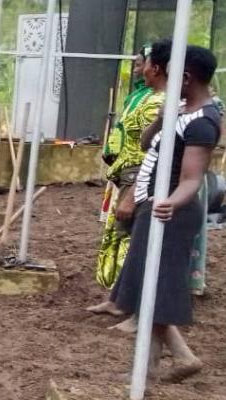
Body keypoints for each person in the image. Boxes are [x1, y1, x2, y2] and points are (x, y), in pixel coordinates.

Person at [110, 43, 220, 383]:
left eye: (169, 74)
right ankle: (169, 362)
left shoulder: (203, 122)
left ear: (186, 78)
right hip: (154, 203)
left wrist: (170, 202)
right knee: (149, 286)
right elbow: (147, 145)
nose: (161, 78)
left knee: (155, 288)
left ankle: (153, 368)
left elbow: (191, 178)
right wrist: (162, 117)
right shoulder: (182, 109)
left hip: (169, 211)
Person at [92, 44, 164, 292]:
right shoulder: (140, 96)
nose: (138, 70)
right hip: (127, 170)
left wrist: (133, 192)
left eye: (140, 64)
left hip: (137, 175)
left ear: (154, 67)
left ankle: (128, 299)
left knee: (128, 235)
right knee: (121, 233)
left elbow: (153, 151)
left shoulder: (158, 101)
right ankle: (121, 297)